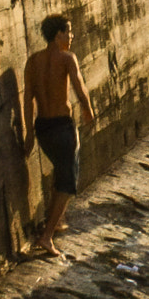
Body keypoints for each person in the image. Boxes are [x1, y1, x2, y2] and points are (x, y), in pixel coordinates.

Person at [23, 13, 95, 258]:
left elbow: (27, 100)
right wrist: (88, 110)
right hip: (63, 127)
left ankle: (56, 220)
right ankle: (47, 237)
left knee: (60, 171)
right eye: (68, 32)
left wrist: (29, 133)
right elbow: (78, 85)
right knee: (67, 182)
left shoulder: (32, 61)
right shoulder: (66, 58)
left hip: (43, 128)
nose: (71, 37)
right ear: (58, 35)